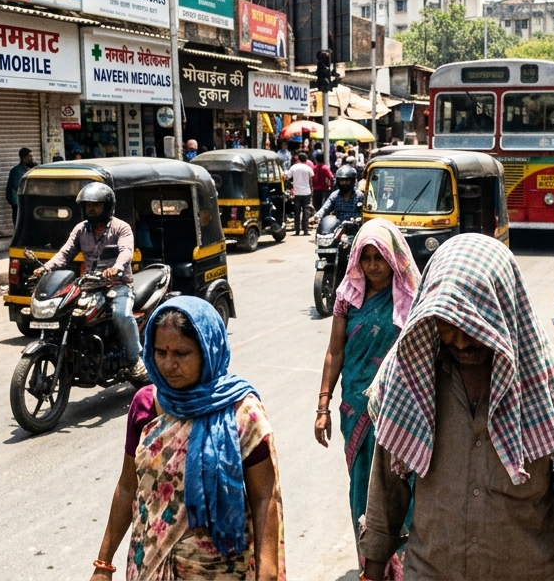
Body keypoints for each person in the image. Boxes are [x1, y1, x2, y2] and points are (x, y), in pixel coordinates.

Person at [360, 235, 554, 580]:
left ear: (503, 310)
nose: (462, 341)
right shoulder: (411, 373)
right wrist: (372, 572)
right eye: (449, 323)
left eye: (475, 326)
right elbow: (386, 489)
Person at [90, 297, 284, 580]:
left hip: (218, 568)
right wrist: (103, 564)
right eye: (160, 352)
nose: (169, 364)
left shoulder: (242, 413)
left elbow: (264, 496)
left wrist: (267, 573)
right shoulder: (145, 405)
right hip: (150, 562)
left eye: (182, 353)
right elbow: (127, 486)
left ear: (207, 351)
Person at [314, 219, 421, 577]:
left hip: (399, 410)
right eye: (367, 258)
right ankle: (371, 565)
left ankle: (404, 565)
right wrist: (323, 406)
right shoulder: (347, 296)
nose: (374, 266)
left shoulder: (410, 296)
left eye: (380, 258)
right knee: (363, 485)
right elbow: (335, 351)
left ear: (394, 258)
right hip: (356, 408)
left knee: (403, 486)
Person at [37, 183, 145, 381]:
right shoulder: (81, 230)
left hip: (117, 284)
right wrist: (46, 267)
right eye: (88, 205)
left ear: (107, 206)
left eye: (96, 205)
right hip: (89, 285)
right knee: (68, 314)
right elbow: (65, 253)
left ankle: (135, 359)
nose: (91, 209)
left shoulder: (121, 227)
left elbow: (126, 252)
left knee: (121, 315)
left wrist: (116, 268)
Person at [6, 147, 36, 224]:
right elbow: (17, 186)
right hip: (18, 201)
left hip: (28, 200)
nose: (32, 158)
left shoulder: (31, 169)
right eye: (30, 156)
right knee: (19, 222)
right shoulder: (16, 171)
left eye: (32, 156)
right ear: (23, 158)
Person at [287, 152, 314, 236]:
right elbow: (311, 181)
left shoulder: (293, 167)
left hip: (297, 193)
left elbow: (287, 177)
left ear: (298, 158)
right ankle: (305, 230)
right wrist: (312, 191)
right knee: (306, 212)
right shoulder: (308, 168)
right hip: (306, 192)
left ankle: (297, 230)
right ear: (306, 160)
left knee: (297, 212)